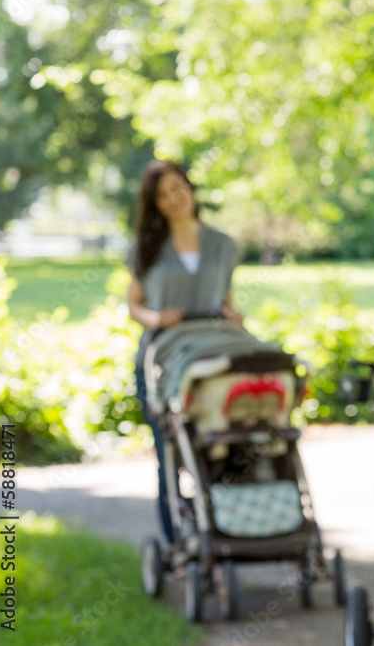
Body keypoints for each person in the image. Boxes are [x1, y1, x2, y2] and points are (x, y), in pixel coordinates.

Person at [127, 159, 243, 545]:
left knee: (219, 444)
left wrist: (232, 315)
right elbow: (134, 306)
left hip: (213, 355)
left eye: (178, 188)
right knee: (171, 451)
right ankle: (177, 540)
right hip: (164, 357)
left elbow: (227, 298)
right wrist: (157, 317)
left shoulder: (223, 245)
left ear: (191, 189)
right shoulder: (147, 248)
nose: (174, 198)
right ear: (155, 204)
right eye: (163, 195)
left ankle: (222, 529)